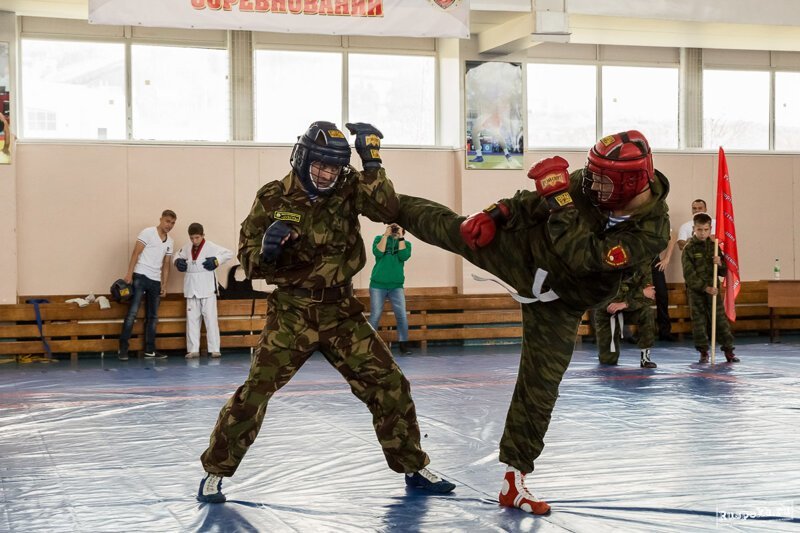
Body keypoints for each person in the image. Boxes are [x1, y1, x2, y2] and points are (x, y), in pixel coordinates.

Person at [395, 130, 670, 515]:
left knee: (540, 388)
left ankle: (514, 480)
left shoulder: (651, 229)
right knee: (451, 228)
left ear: (629, 182)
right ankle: (377, 198)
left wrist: (559, 201)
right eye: (591, 174)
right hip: (525, 253)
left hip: (563, 300)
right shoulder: (591, 185)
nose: (590, 182)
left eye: (602, 178)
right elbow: (530, 201)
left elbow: (582, 255)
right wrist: (495, 213)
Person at [197, 121, 455, 504]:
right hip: (293, 312)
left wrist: (372, 161)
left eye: (334, 168)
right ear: (303, 158)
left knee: (389, 383)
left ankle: (413, 467)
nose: (325, 174)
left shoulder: (349, 188)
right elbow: (250, 264)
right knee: (255, 392)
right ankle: (214, 472)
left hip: (341, 310)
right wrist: (267, 251)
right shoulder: (272, 197)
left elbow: (387, 207)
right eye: (320, 166)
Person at [681, 213, 740, 364]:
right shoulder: (689, 248)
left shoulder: (714, 247)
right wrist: (704, 288)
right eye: (699, 229)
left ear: (710, 229)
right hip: (697, 292)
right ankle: (703, 352)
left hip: (714, 291)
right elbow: (689, 275)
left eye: (706, 229)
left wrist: (720, 263)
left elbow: (723, 272)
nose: (702, 233)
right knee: (699, 323)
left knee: (720, 321)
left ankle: (728, 350)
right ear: (694, 228)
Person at [118, 210, 176, 360]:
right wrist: (129, 274)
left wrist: (164, 284)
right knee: (132, 313)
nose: (169, 225)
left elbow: (166, 264)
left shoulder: (170, 241)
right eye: (167, 221)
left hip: (155, 281)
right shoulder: (148, 233)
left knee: (153, 316)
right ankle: (123, 349)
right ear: (161, 219)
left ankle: (150, 350)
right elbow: (135, 253)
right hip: (140, 276)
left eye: (173, 223)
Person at [175, 223, 234, 359]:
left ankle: (214, 349)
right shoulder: (186, 247)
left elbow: (228, 253)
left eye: (197, 237)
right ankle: (193, 349)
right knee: (192, 320)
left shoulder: (211, 247)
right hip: (191, 288)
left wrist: (217, 261)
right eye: (192, 238)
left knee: (211, 319)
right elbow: (176, 256)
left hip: (207, 289)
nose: (194, 241)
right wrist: (177, 261)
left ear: (202, 235)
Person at [594, 266, 658, 368]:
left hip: (630, 308)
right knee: (607, 361)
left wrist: (626, 303)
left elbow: (649, 297)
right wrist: (641, 293)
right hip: (607, 311)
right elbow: (609, 294)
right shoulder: (608, 261)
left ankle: (645, 358)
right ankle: (608, 356)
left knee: (647, 312)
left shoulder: (643, 263)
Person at [368, 223, 413, 355]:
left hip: (396, 286)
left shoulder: (406, 243)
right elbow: (378, 252)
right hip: (378, 284)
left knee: (402, 316)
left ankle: (403, 344)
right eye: (393, 227)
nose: (394, 230)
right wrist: (386, 235)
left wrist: (400, 237)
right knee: (375, 315)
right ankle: (370, 345)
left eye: (397, 228)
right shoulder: (378, 239)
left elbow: (403, 256)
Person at [651, 228, 678, 341]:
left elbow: (672, 235)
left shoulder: (658, 218)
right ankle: (642, 333)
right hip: (638, 260)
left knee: (662, 295)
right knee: (638, 296)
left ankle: (665, 332)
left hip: (654, 259)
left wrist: (666, 259)